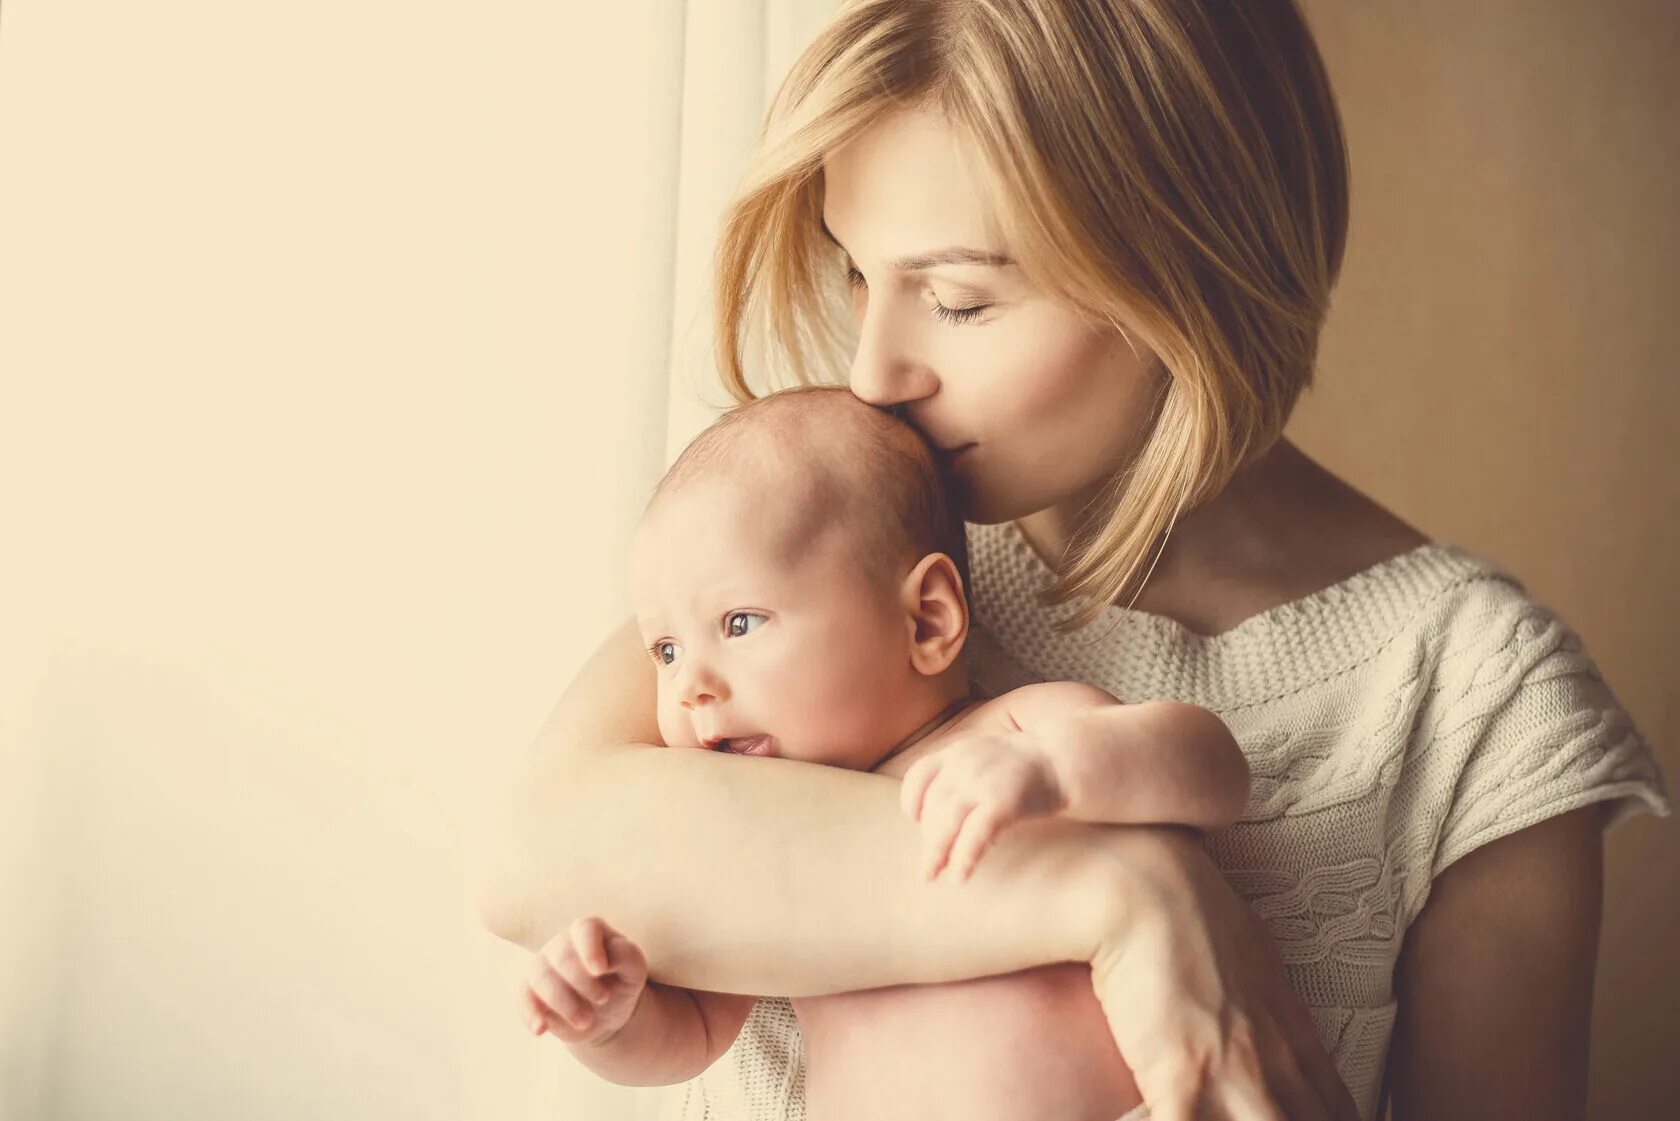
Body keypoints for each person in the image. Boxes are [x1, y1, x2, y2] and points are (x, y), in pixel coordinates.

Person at [473, 2, 1672, 1118]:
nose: (878, 372)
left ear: (1186, 265)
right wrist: (1132, 895)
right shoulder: (828, 546)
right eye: (857, 272)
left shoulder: (1474, 696)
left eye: (958, 298)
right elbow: (534, 859)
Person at [519, 385, 1257, 1121]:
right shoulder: (760, 846)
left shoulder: (1012, 736)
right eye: (665, 649)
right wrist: (611, 1021)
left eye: (740, 621)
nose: (691, 687)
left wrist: (1058, 769)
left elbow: (1215, 770)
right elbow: (695, 1035)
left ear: (927, 619)